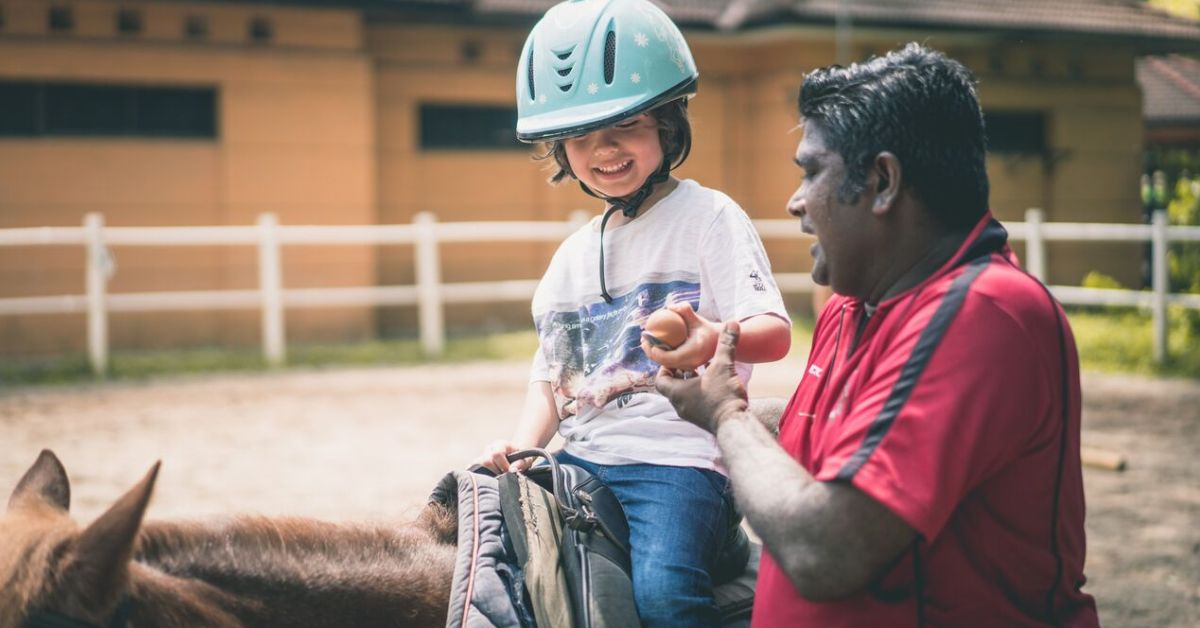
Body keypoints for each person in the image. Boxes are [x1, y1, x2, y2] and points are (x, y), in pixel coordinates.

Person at [656, 43, 1100, 626]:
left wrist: (726, 419)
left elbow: (826, 550)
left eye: (812, 171)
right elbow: (827, 436)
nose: (795, 202)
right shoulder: (855, 303)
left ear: (883, 181)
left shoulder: (984, 315)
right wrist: (697, 405)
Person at [475, 0, 792, 625]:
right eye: (582, 137)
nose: (606, 149)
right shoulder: (569, 257)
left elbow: (774, 334)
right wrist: (521, 446)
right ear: (560, 150)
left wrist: (709, 340)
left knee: (665, 597)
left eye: (628, 125)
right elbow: (551, 375)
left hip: (675, 459)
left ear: (668, 127)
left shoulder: (710, 217)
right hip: (584, 457)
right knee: (504, 576)